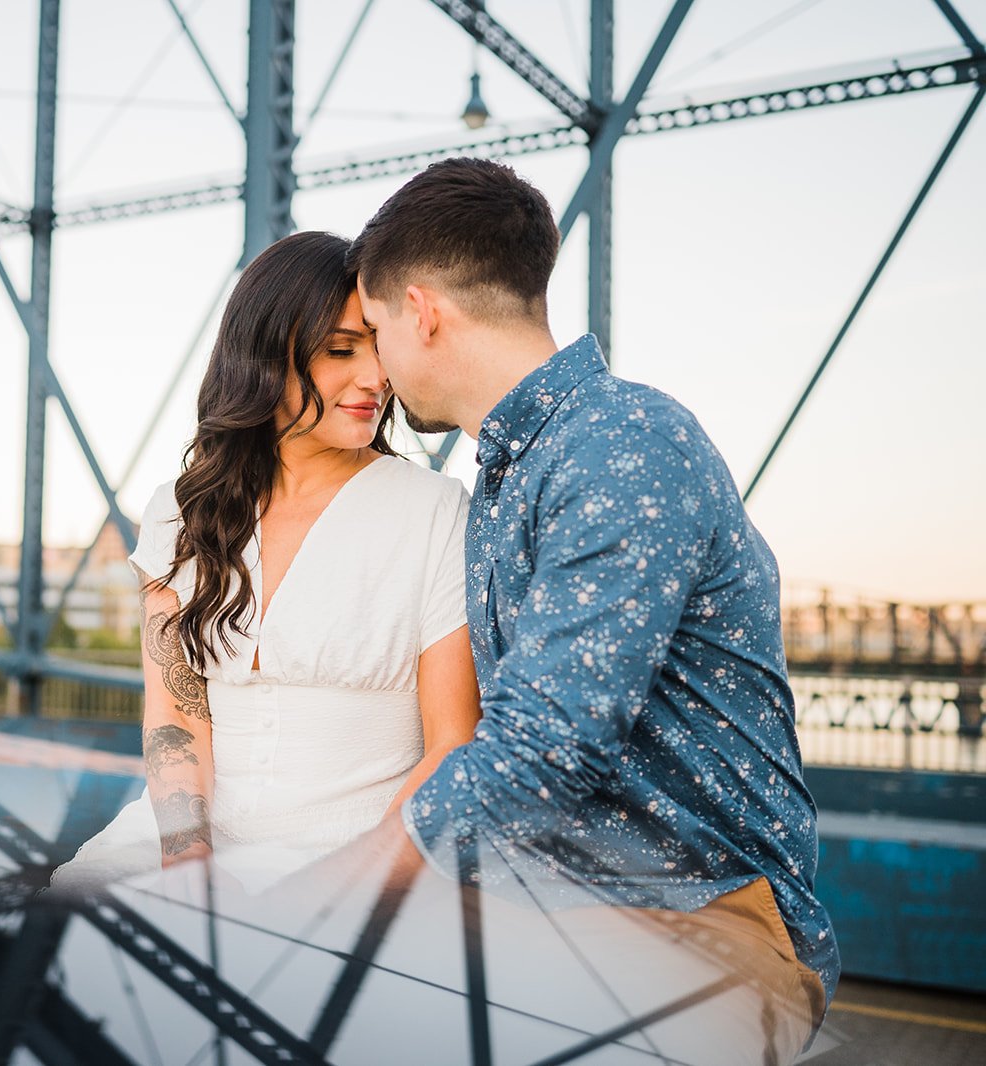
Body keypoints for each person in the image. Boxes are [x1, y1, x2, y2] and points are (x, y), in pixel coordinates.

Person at [346, 157, 839, 1059]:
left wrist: (351, 874)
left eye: (373, 329)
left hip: (701, 916)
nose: (374, 365)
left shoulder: (621, 444)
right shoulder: (509, 472)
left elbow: (546, 749)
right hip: (550, 907)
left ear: (420, 313)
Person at [51, 231, 481, 895]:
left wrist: (342, 887)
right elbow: (177, 717)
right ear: (264, 353)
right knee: (64, 935)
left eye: (379, 347)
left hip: (358, 856)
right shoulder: (180, 512)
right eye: (341, 350)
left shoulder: (437, 512)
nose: (375, 378)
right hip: (182, 845)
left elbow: (453, 741)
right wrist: (189, 869)